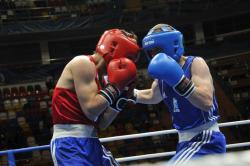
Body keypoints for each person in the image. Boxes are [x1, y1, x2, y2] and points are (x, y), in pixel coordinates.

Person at [130, 24, 226, 165]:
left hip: (206, 138)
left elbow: (206, 102)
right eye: (150, 52)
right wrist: (128, 93)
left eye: (157, 50)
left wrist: (180, 81)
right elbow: (153, 95)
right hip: (184, 141)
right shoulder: (162, 73)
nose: (154, 55)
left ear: (171, 45)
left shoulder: (195, 63)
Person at [50, 29, 140, 166]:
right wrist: (116, 87)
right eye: (128, 57)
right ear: (115, 48)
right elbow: (91, 110)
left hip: (92, 142)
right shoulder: (82, 63)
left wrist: (120, 100)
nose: (128, 62)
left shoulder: (104, 80)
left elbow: (102, 123)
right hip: (69, 144)